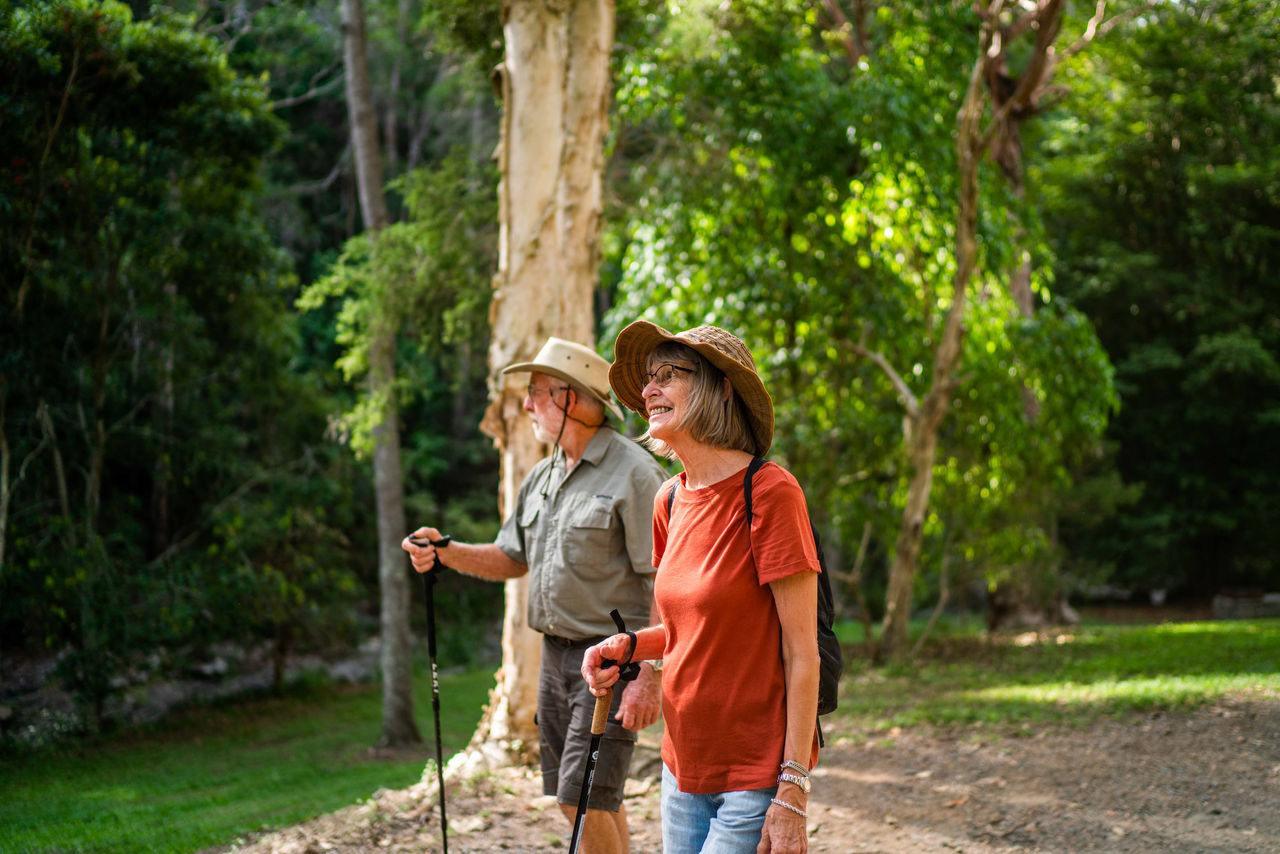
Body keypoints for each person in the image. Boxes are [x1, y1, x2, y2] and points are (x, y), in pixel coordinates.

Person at [402, 337, 666, 854]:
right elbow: (512, 557)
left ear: (572, 398)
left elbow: (664, 576)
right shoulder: (543, 476)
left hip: (612, 661)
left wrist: (650, 675)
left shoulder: (635, 473)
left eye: (536, 392)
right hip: (553, 658)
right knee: (593, 798)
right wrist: (445, 550)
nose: (526, 405)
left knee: (581, 798)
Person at [582, 321, 821, 854]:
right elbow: (685, 629)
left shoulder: (771, 494)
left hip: (755, 775)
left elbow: (801, 654)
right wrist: (627, 647)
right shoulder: (669, 500)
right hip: (682, 766)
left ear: (719, 387)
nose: (649, 391)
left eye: (668, 375)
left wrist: (792, 790)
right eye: (648, 379)